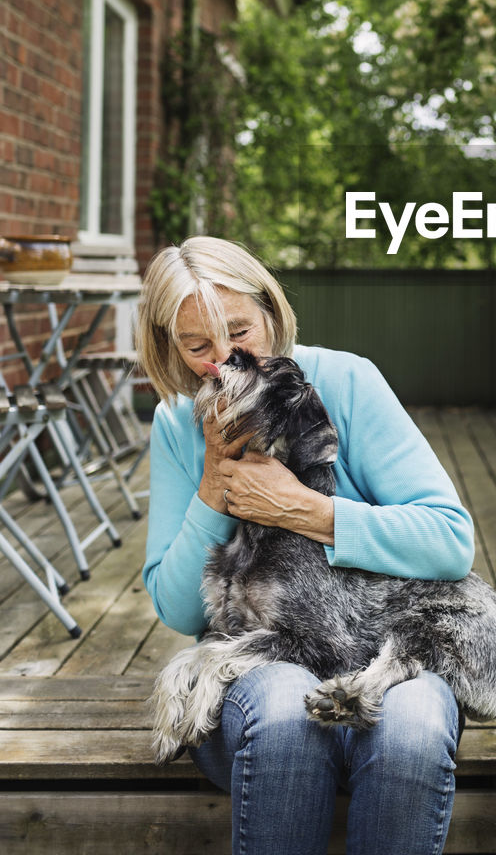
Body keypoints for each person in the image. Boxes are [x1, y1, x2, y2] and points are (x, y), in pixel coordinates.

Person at [137, 235, 475, 855]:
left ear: (271, 310)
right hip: (256, 670)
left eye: (240, 332)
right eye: (197, 347)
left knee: (414, 727)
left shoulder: (346, 382)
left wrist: (307, 511)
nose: (223, 361)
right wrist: (214, 485)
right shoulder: (174, 422)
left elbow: (450, 541)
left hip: (382, 653)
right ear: (171, 349)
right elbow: (181, 610)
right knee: (286, 716)